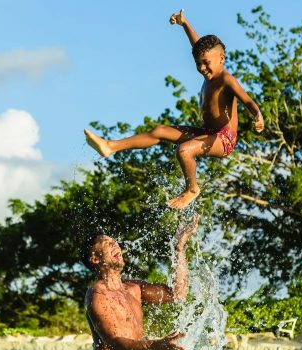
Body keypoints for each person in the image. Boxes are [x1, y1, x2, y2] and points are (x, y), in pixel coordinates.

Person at [84, 9, 265, 210]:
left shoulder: (226, 80)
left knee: (184, 150)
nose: (202, 68)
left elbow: (247, 101)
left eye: (206, 64)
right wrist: (184, 23)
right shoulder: (209, 73)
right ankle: (110, 147)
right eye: (198, 64)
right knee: (159, 131)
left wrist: (257, 115)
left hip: (224, 139)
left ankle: (192, 189)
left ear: (221, 58)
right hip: (208, 133)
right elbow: (198, 46)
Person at [80, 215, 199, 350]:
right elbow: (115, 345)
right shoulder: (98, 294)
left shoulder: (134, 288)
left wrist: (179, 249)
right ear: (95, 259)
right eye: (107, 243)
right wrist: (156, 345)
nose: (115, 245)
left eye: (115, 242)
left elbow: (177, 293)